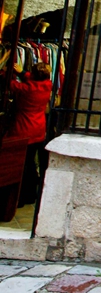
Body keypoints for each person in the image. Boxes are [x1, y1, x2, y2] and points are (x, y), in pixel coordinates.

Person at [8, 62, 53, 206]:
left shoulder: (26, 89)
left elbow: (10, 84)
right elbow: (31, 79)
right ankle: (31, 194)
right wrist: (22, 73)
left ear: (34, 75)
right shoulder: (47, 85)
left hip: (24, 129)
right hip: (39, 129)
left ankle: (21, 196)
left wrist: (7, 71)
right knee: (31, 164)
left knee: (22, 165)